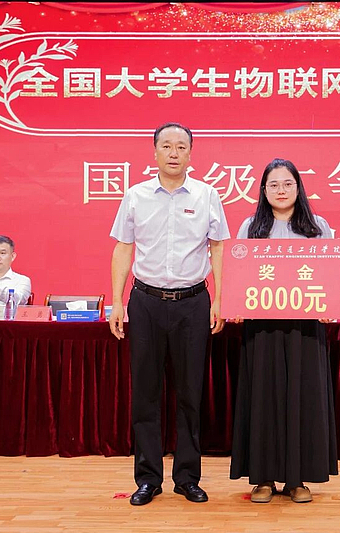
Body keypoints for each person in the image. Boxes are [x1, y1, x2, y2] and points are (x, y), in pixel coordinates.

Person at [109, 122, 229, 506]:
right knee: (145, 393)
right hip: (145, 301)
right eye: (166, 146)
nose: (174, 152)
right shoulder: (136, 195)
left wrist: (220, 298)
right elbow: (123, 248)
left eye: (181, 146)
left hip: (193, 303)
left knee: (190, 393)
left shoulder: (207, 195)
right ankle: (148, 478)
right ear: (155, 152)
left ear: (191, 154)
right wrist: (117, 301)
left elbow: (218, 248)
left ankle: (187, 477)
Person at [230, 158, 338, 504]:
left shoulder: (317, 226)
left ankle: (297, 479)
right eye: (273, 184)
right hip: (262, 328)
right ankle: (262, 478)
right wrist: (235, 304)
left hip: (305, 328)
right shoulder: (251, 227)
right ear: (263, 190)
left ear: (298, 187)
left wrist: (330, 305)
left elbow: (329, 276)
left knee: (303, 399)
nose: (281, 190)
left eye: (287, 184)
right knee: (263, 398)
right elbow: (239, 275)